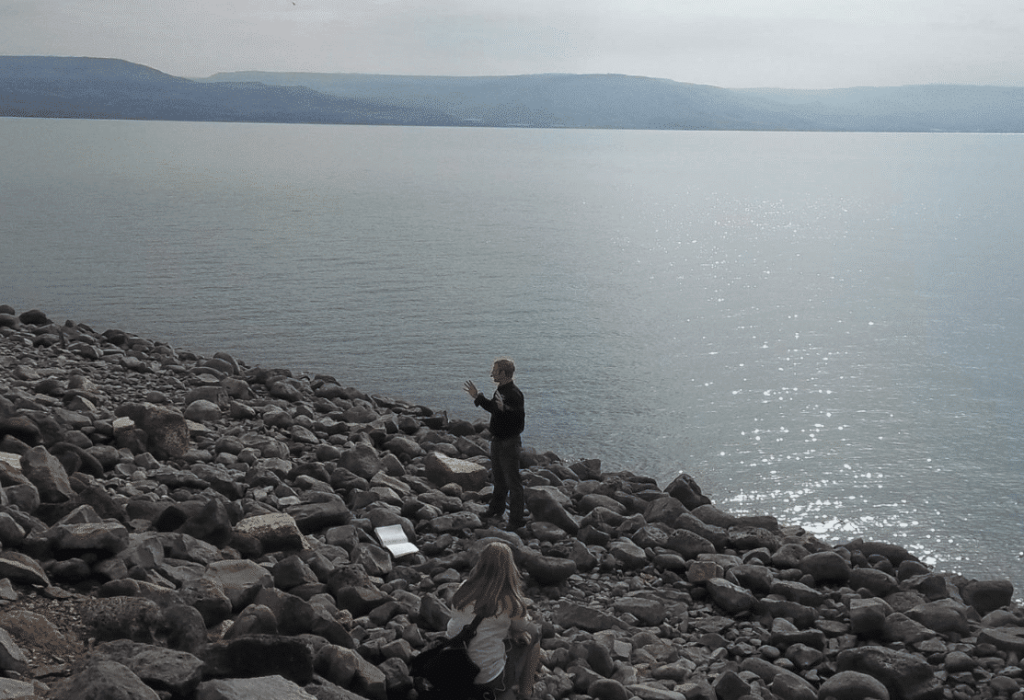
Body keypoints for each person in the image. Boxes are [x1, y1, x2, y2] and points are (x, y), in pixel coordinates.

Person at [446, 542, 541, 700]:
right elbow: (524, 626)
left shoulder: (463, 588)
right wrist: (515, 630)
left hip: (454, 668)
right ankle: (526, 692)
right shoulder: (509, 601)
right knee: (535, 633)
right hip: (488, 678)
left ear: (480, 563)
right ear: (509, 568)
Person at [464, 358, 526, 529]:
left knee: (513, 482)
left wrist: (504, 409)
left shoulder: (514, 393)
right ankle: (496, 509)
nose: (492, 373)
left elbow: (517, 417)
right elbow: (494, 408)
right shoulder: (502, 390)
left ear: (504, 374)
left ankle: (516, 519)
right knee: (499, 479)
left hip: (509, 442)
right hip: (498, 441)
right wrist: (477, 396)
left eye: (495, 370)